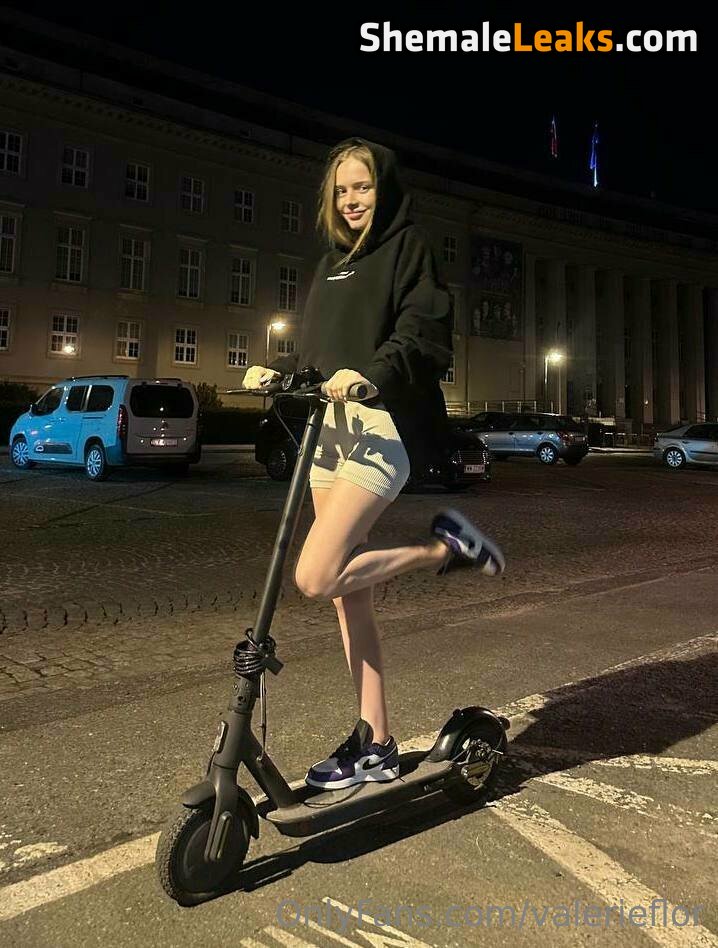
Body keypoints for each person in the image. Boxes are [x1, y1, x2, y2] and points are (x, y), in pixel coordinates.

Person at [243, 138, 505, 791]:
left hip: (380, 427)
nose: (351, 199)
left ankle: (442, 550)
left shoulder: (407, 248)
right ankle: (377, 742)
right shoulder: (330, 264)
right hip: (327, 435)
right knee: (347, 597)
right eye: (342, 190)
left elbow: (423, 333)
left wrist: (372, 375)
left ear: (382, 189)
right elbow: (318, 352)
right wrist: (279, 372)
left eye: (362, 187)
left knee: (316, 574)